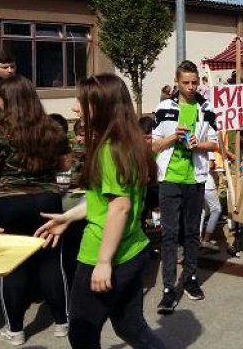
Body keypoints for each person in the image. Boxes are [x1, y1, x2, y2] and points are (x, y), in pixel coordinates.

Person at [33, 73, 166, 349]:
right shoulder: (129, 144)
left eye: (81, 102)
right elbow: (105, 202)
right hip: (133, 250)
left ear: (99, 107)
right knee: (131, 327)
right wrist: (68, 217)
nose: (74, 107)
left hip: (103, 254)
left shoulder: (109, 149)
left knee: (82, 332)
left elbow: (120, 207)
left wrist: (103, 261)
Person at [0, 76, 70, 346]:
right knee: (51, 262)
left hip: (8, 203)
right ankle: (61, 322)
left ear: (8, 99)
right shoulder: (52, 128)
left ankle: (17, 330)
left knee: (12, 266)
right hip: (47, 201)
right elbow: (65, 165)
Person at [152, 60, 219, 313]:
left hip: (196, 178)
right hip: (169, 177)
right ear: (177, 82)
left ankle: (190, 278)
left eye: (194, 82)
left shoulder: (206, 108)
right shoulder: (164, 108)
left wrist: (196, 144)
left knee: (192, 232)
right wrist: (173, 137)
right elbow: (154, 145)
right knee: (169, 234)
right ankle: (169, 288)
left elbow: (214, 144)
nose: (191, 87)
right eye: (186, 83)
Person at [200, 152, 222, 252]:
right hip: (207, 182)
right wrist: (214, 165)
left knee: (202, 211)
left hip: (198, 181)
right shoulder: (208, 148)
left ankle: (199, 238)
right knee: (217, 209)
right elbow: (210, 165)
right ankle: (206, 239)